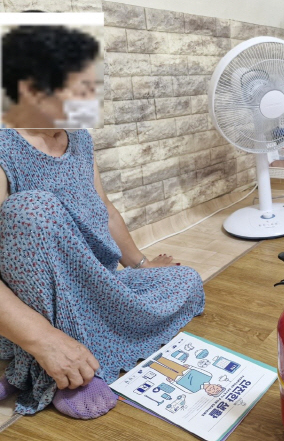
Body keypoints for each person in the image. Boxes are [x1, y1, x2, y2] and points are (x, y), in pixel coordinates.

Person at [0, 25, 205, 418]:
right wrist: (41, 338)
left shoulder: (80, 140)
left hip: (99, 283)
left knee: (187, 281)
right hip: (41, 304)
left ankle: (81, 350)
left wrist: (142, 264)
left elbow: (105, 210)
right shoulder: (4, 146)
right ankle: (55, 363)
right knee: (33, 209)